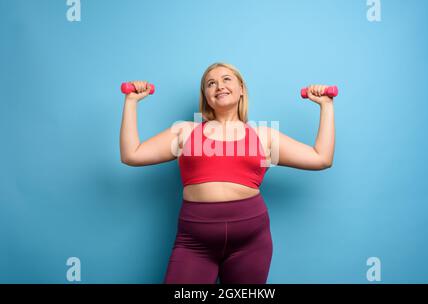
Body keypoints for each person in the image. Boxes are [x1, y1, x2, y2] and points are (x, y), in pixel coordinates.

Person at [119, 62, 335, 284]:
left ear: (241, 89)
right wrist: (131, 102)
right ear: (206, 95)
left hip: (250, 242)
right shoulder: (185, 131)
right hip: (195, 243)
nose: (219, 86)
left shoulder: (264, 136)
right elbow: (131, 155)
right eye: (211, 83)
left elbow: (321, 158)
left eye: (226, 79)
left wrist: (326, 106)